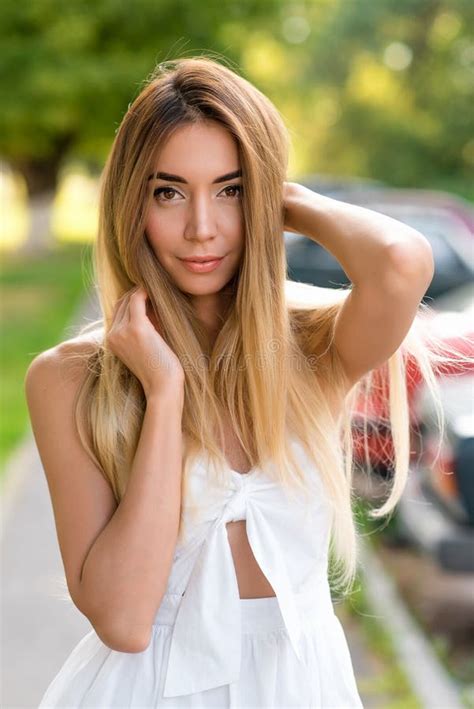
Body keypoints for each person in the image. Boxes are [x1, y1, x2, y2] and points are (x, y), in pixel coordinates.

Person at [25, 55, 464, 708]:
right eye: (168, 191)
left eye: (229, 190)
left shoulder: (313, 341)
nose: (202, 226)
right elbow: (122, 618)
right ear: (131, 201)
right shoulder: (71, 378)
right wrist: (165, 390)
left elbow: (403, 263)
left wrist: (281, 196)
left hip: (301, 685)